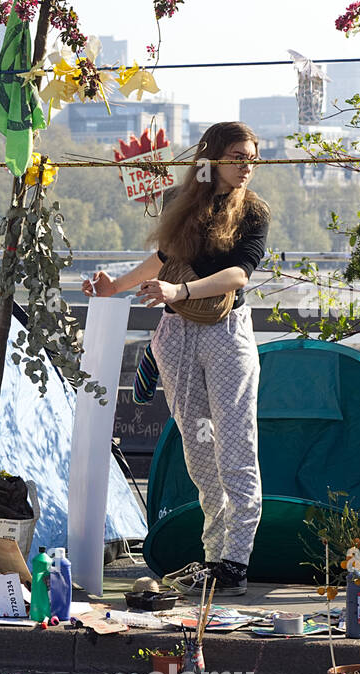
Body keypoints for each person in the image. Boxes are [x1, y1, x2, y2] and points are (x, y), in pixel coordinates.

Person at [83, 121, 270, 597]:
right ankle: (214, 558)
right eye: (237, 156)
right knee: (198, 452)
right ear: (211, 158)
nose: (247, 165)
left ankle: (236, 561)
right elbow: (162, 262)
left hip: (227, 334)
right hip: (177, 332)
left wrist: (181, 289)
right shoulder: (179, 203)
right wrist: (116, 286)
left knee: (236, 448)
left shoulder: (254, 212)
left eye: (252, 156)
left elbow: (238, 275)